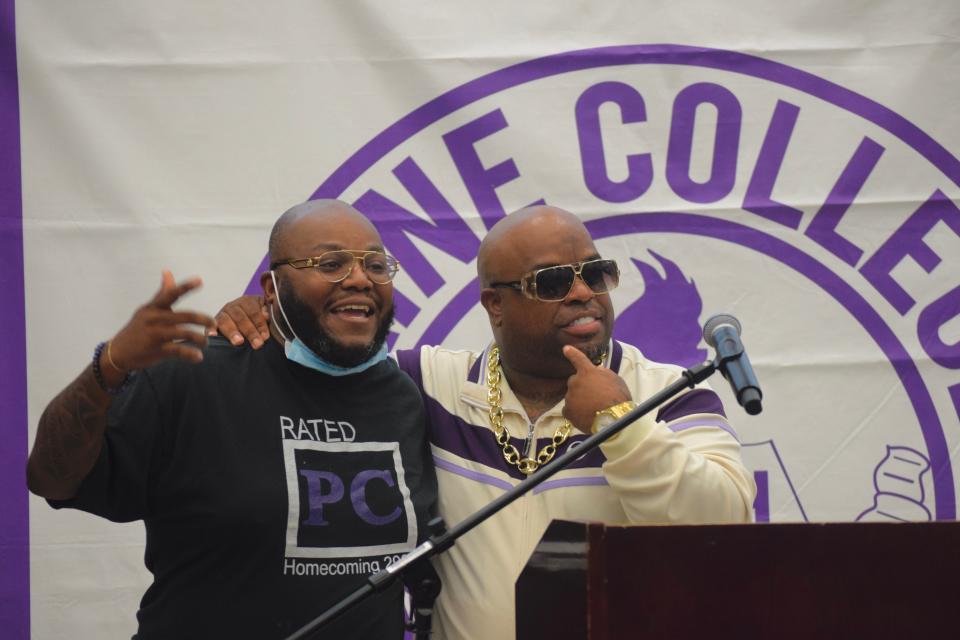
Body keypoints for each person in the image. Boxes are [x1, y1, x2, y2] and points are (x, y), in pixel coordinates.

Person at [215, 205, 756, 640]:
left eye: (595, 274)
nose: (583, 292)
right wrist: (268, 312)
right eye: (551, 282)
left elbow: (725, 524)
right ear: (495, 305)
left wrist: (622, 425)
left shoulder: (667, 392)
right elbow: (326, 351)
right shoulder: (425, 384)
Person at [27, 200, 438, 639]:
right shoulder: (191, 375)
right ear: (273, 287)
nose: (359, 279)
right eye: (330, 263)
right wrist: (107, 368)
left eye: (376, 265)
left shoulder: (405, 396)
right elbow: (52, 479)